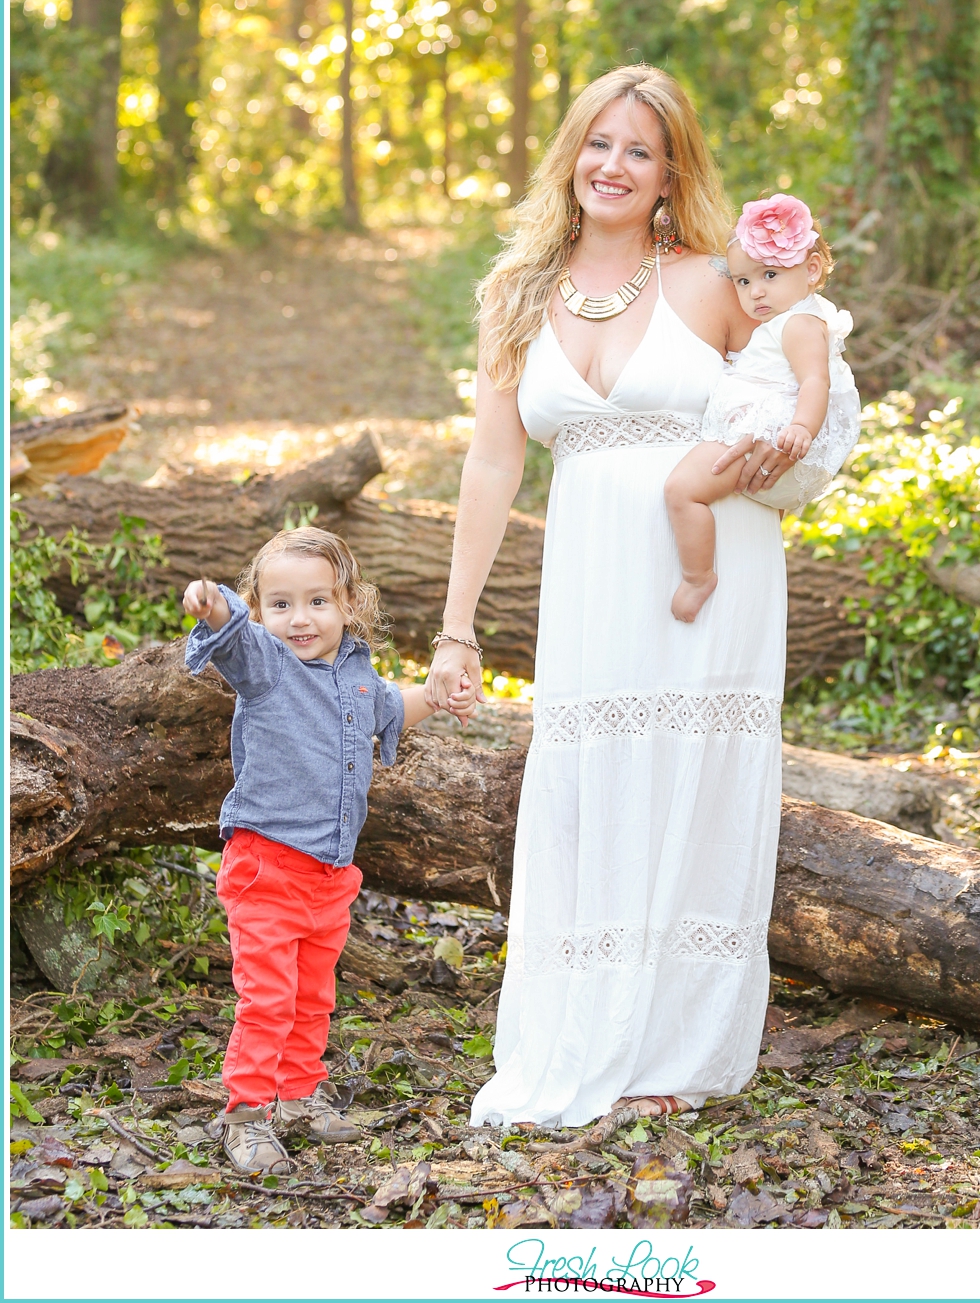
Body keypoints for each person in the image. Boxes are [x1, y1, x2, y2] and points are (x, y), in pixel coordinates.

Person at [424, 64, 798, 1129]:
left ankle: (678, 1046)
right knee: (589, 790)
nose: (613, 165)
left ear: (671, 168)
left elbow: (797, 405)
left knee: (691, 774)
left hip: (711, 570)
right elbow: (493, 465)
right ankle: (584, 1028)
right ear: (570, 153)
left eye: (640, 148)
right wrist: (457, 627)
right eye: (599, 141)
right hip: (588, 573)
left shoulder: (714, 282)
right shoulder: (516, 293)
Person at [183, 526, 473, 1174]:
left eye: (318, 600)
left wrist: (438, 695)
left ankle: (298, 1095)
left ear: (349, 603)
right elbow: (236, 635)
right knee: (268, 997)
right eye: (281, 603)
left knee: (313, 996)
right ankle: (247, 1114)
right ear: (261, 612)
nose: (301, 617)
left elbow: (392, 706)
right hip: (268, 865)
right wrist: (215, 605)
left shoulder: (357, 676)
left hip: (329, 873)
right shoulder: (266, 665)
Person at [665, 193, 861, 622]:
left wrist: (801, 429)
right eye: (743, 281)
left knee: (681, 490)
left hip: (763, 429)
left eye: (769, 275)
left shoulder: (800, 324)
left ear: (811, 270)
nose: (756, 292)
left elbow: (815, 381)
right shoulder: (785, 320)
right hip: (756, 424)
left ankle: (698, 576)